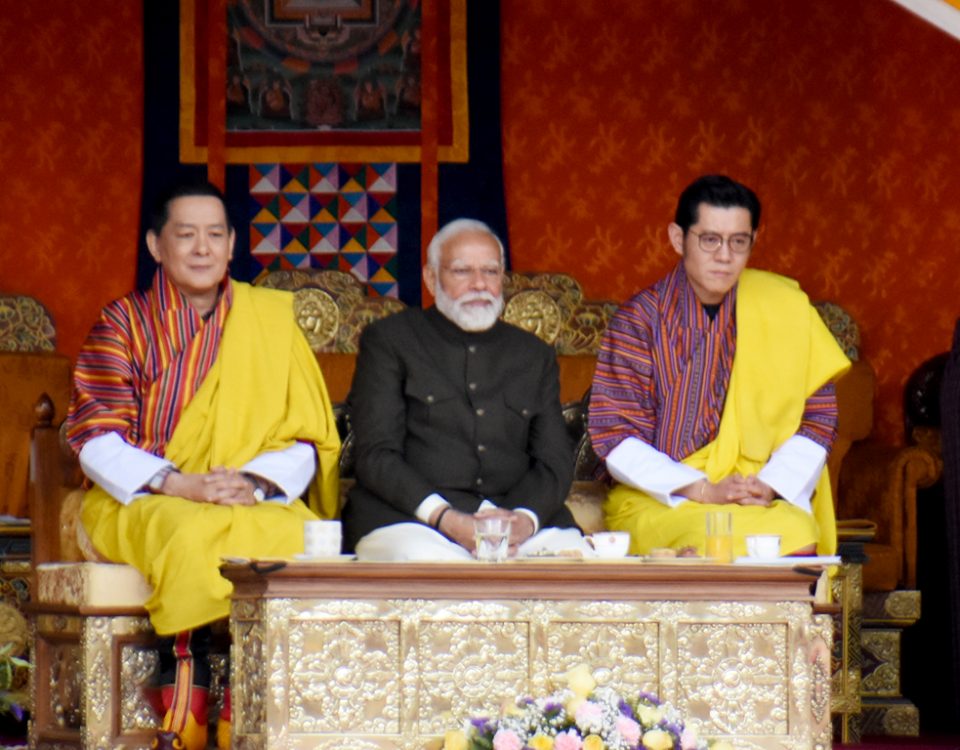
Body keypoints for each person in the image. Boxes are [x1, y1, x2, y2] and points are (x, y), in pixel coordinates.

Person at [65, 181, 340, 750]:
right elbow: (94, 437)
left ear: (233, 244)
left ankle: (261, 702)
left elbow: (305, 439)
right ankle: (184, 700)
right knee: (188, 535)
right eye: (185, 234)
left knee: (296, 536)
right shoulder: (124, 322)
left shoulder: (267, 321)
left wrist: (253, 482)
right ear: (155, 245)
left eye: (215, 234)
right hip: (146, 496)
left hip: (245, 494)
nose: (202, 248)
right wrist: (176, 482)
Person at [588, 174, 850, 558]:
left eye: (738, 242)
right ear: (678, 238)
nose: (725, 256)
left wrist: (769, 485)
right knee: (712, 534)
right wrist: (703, 490)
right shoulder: (639, 322)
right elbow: (616, 435)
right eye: (710, 240)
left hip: (752, 496)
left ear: (753, 241)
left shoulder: (784, 309)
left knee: (795, 530)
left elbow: (819, 417)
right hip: (663, 499)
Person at [342, 218, 587, 561]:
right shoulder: (390, 341)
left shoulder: (533, 354)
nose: (479, 284)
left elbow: (554, 461)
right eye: (462, 271)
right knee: (429, 565)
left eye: (490, 271)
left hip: (514, 523)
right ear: (431, 278)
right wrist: (445, 518)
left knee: (574, 563)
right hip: (412, 521)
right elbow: (376, 454)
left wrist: (523, 520)